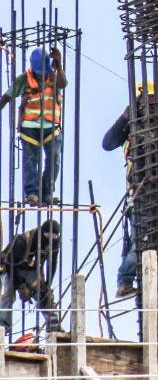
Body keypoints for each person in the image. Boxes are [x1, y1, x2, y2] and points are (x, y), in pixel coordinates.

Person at [101, 81, 158, 298]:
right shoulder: (130, 129)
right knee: (142, 240)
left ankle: (143, 281)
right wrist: (125, 117)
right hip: (141, 194)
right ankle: (125, 279)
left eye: (153, 102)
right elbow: (107, 143)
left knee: (155, 242)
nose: (151, 106)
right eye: (146, 102)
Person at [0, 48, 68, 205]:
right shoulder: (24, 79)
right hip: (29, 127)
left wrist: (59, 65)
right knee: (30, 160)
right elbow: (7, 97)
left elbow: (63, 84)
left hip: (51, 127)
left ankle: (47, 192)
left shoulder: (54, 76)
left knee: (54, 159)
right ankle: (32, 193)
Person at [0, 220, 63, 334]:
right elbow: (9, 263)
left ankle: (53, 324)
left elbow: (53, 263)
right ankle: (3, 325)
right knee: (8, 294)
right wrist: (21, 286)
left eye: (53, 237)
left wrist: (48, 284)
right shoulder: (23, 240)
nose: (50, 240)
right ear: (42, 233)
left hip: (29, 268)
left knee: (44, 293)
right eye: (47, 236)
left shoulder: (54, 242)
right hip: (10, 267)